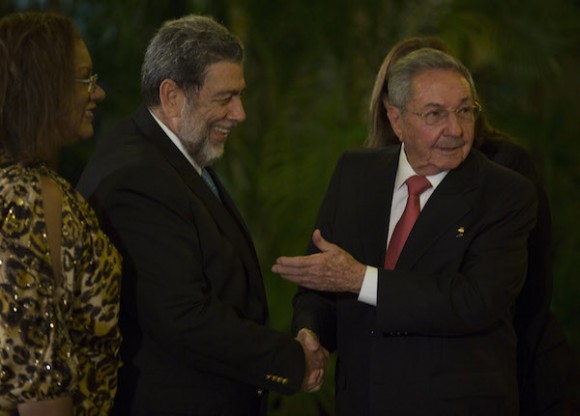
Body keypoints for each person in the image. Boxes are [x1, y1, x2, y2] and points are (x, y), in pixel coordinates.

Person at [76, 14, 328, 416]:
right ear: (172, 96)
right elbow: (181, 316)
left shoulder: (167, 156)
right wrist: (290, 361)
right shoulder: (138, 177)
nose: (240, 113)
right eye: (225, 97)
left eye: (240, 95)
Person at [272, 48, 538, 415]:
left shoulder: (505, 192)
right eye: (435, 114)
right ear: (396, 120)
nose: (456, 129)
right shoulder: (355, 173)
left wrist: (361, 279)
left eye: (464, 110)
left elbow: (475, 301)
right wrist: (310, 334)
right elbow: (322, 281)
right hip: (362, 401)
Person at [365, 36, 573, 415]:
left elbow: (529, 295)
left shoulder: (505, 171)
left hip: (505, 373)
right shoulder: (370, 176)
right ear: (394, 112)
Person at [0, 12, 121, 416]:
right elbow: (37, 378)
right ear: (44, 86)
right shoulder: (25, 199)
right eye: (84, 77)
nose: (97, 92)